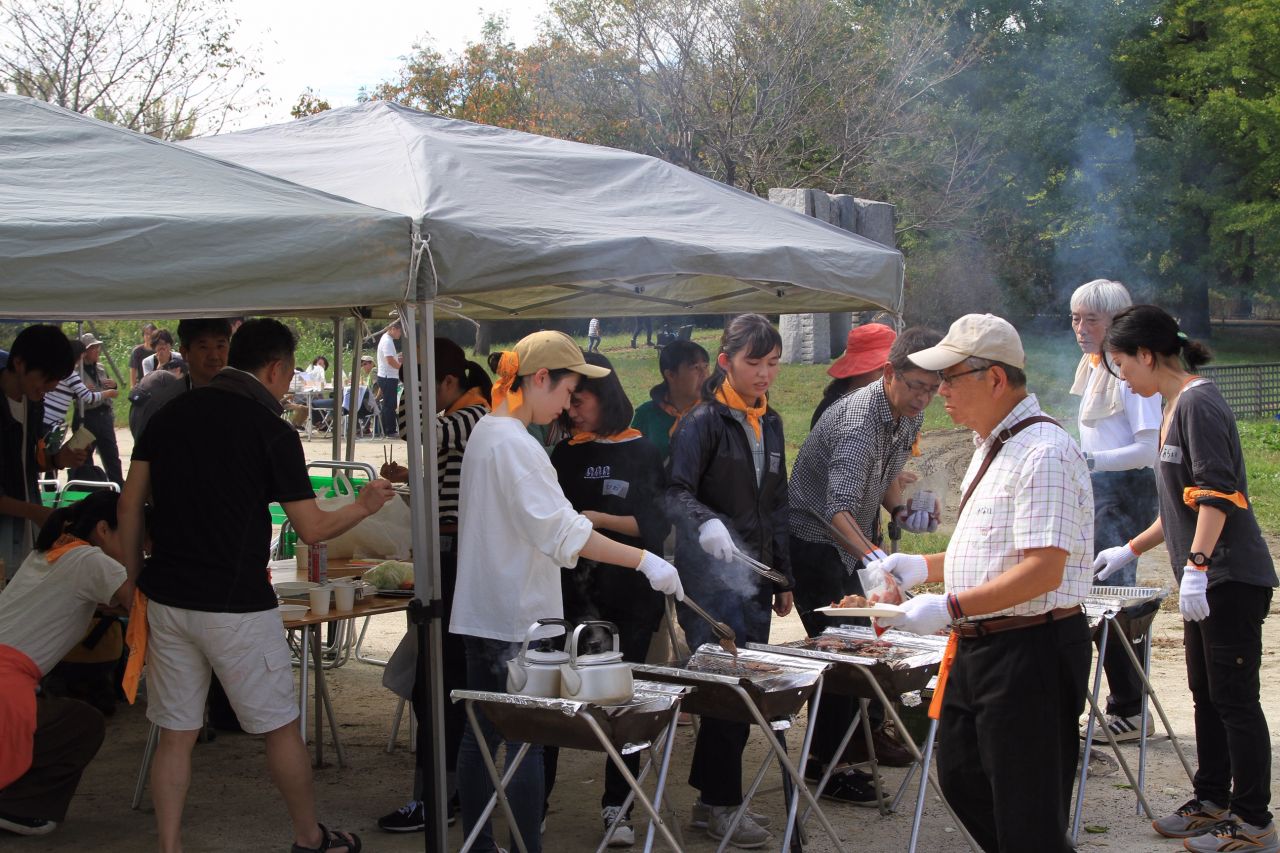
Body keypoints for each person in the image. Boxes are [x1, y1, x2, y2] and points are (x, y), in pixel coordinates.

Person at [118, 318, 396, 853]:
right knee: (279, 728)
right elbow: (311, 529)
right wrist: (363, 504)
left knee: (175, 734)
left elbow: (130, 504)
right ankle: (309, 837)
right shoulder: (271, 429)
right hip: (236, 603)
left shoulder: (168, 413)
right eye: (288, 375)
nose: (288, 386)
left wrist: (134, 581)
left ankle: (169, 846)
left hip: (167, 595)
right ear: (275, 369)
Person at [867, 313, 1093, 853]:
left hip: (1030, 646)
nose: (939, 391)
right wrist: (925, 569)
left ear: (994, 379)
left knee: (1026, 812)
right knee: (964, 780)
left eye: (951, 377)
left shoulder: (1044, 453)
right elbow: (990, 551)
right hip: (983, 645)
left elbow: (1043, 569)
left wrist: (948, 605)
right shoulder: (994, 445)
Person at [450, 330, 683, 853]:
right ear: (538, 379)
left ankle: (481, 844)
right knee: (527, 742)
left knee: (481, 738)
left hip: (483, 611)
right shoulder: (517, 445)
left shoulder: (487, 432)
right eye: (565, 391)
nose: (565, 406)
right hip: (517, 620)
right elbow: (565, 533)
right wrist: (645, 559)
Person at [1093, 305, 1276, 852]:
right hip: (1205, 579)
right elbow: (1179, 506)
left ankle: (1253, 822)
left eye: (1122, 362)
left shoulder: (1199, 402)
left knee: (1235, 699)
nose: (1121, 375)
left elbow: (1218, 495)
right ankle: (1212, 799)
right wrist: (1127, 547)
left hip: (1230, 579)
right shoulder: (1174, 404)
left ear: (1147, 355)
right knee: (1206, 694)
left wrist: (1196, 568)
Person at [787, 326, 942, 794]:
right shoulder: (859, 418)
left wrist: (900, 511)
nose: (923, 400)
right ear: (889, 372)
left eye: (933, 391)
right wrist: (876, 557)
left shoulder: (906, 415)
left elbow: (888, 475)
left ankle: (847, 750)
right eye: (916, 387)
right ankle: (825, 766)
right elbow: (835, 510)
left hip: (853, 539)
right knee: (842, 651)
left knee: (865, 642)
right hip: (813, 541)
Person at [666, 313, 795, 848]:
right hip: (710, 583)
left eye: (772, 363)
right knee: (728, 692)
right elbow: (675, 492)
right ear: (725, 363)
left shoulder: (773, 422)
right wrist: (706, 523)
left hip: (754, 582)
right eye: (754, 363)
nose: (764, 374)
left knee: (746, 689)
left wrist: (782, 575)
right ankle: (719, 805)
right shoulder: (701, 424)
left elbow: (778, 505)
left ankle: (711, 803)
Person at [546, 351, 669, 847]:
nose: (572, 409)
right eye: (568, 400)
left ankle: (618, 808)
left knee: (622, 706)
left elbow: (652, 526)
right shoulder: (563, 454)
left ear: (607, 395)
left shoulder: (641, 449)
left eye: (581, 399)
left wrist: (591, 519)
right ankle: (537, 804)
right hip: (569, 596)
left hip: (629, 597)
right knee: (555, 703)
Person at [376, 337, 492, 834]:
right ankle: (447, 789)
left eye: (426, 387)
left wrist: (407, 383)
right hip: (447, 552)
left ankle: (438, 797)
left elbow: (412, 428)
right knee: (436, 678)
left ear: (449, 383)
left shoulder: (474, 418)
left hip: (457, 556)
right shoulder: (463, 419)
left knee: (439, 681)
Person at [0, 491, 132, 836]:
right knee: (83, 723)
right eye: (130, 537)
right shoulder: (91, 560)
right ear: (104, 529)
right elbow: (140, 603)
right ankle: (17, 806)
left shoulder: (50, 550)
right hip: (5, 684)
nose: (136, 548)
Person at [1067, 279, 1162, 743]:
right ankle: (1123, 703)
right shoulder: (1094, 366)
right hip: (1099, 488)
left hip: (1127, 490)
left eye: (1091, 319)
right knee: (1098, 598)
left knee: (1114, 602)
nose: (1081, 328)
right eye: (1075, 318)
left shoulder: (1131, 376)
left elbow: (1148, 448)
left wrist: (1091, 462)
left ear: (1117, 322)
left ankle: (1129, 710)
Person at [0, 325, 87, 578]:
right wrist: (37, 513)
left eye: (57, 380)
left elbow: (26, 464)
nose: (51, 387)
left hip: (26, 538)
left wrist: (58, 459)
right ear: (18, 363)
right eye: (47, 378)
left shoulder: (34, 403)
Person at [127, 318, 231, 441]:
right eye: (203, 347)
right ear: (185, 352)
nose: (214, 356)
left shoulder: (237, 399)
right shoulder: (167, 406)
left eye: (220, 346)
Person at [630, 339, 710, 462]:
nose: (704, 374)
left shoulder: (715, 413)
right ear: (670, 375)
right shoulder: (646, 414)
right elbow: (634, 463)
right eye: (695, 368)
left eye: (705, 366)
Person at [811, 323, 897, 427]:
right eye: (881, 370)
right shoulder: (836, 412)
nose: (890, 377)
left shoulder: (888, 405)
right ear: (858, 372)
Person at [69, 333, 122, 487]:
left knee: (111, 456)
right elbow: (73, 393)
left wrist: (114, 385)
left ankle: (118, 488)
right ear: (85, 352)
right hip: (86, 416)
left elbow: (112, 388)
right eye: (93, 348)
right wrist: (83, 390)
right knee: (83, 458)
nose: (97, 351)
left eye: (98, 347)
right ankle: (84, 488)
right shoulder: (76, 370)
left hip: (104, 416)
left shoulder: (100, 368)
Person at [41, 340, 117, 434]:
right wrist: (108, 393)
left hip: (44, 416)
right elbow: (89, 398)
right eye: (82, 357)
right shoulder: (70, 374)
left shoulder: (58, 368)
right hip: (50, 419)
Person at [377, 321, 404, 438]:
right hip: (388, 376)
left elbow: (391, 359)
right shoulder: (387, 341)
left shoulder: (386, 339)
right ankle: (390, 430)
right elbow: (389, 361)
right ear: (393, 329)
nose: (400, 334)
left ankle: (385, 429)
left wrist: (398, 359)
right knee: (390, 404)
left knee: (388, 404)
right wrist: (402, 369)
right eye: (400, 331)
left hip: (387, 376)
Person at [128, 323, 156, 388]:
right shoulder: (137, 351)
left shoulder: (158, 350)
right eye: (147, 334)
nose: (149, 336)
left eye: (151, 334)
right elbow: (133, 369)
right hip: (141, 384)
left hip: (156, 384)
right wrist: (133, 386)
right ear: (143, 335)